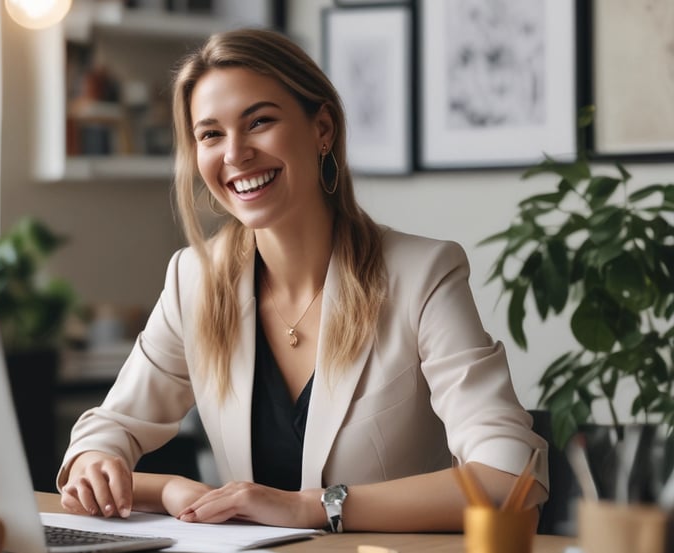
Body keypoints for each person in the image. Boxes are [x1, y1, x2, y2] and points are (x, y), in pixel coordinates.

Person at [57, 27, 548, 532]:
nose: (235, 154)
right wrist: (131, 473)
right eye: (210, 134)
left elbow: (510, 480)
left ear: (323, 129)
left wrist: (311, 507)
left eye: (260, 122)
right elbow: (108, 430)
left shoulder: (423, 275)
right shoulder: (195, 280)